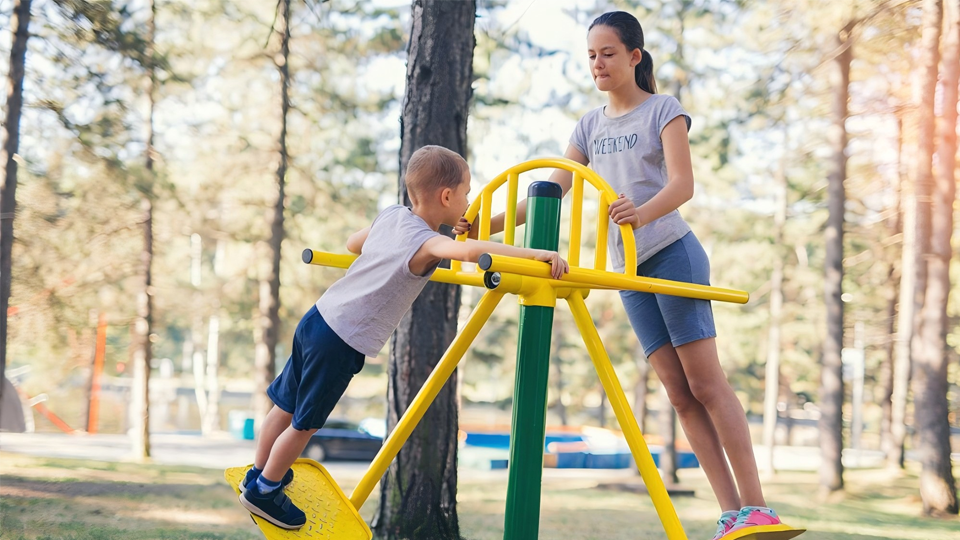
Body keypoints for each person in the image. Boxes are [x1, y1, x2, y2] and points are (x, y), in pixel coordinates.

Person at [455, 11, 782, 540]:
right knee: (677, 393)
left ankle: (758, 506)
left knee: (705, 382)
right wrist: (482, 226)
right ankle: (731, 514)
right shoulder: (589, 125)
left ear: (634, 56)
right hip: (627, 270)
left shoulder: (663, 110)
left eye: (608, 53)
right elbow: (553, 187)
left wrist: (641, 213)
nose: (598, 64)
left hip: (672, 251)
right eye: (590, 55)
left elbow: (683, 185)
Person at [238, 145, 569, 530]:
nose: (467, 200)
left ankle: (258, 470)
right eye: (466, 193)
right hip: (342, 340)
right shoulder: (427, 242)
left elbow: (353, 243)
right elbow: (469, 252)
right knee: (305, 422)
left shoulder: (392, 215)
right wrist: (535, 254)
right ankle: (265, 489)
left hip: (318, 318)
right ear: (447, 197)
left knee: (285, 404)